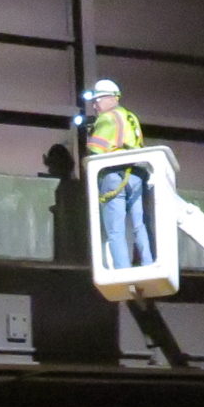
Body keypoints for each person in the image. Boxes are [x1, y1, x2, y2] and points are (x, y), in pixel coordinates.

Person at [74, 78, 151, 270]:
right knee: (138, 224)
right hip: (135, 175)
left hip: (115, 175)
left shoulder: (108, 117)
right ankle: (148, 262)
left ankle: (122, 269)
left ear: (110, 98)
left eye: (98, 100)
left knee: (115, 230)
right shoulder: (130, 116)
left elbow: (96, 149)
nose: (95, 105)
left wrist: (90, 138)